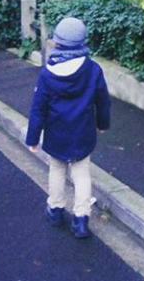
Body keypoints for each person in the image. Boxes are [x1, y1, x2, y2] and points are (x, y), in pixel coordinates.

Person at [26, 16, 111, 239]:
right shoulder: (93, 70)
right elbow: (103, 100)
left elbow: (38, 108)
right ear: (82, 42)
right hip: (82, 132)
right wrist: (102, 124)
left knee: (57, 169)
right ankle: (81, 220)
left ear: (57, 42)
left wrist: (33, 138)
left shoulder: (47, 73)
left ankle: (55, 210)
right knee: (81, 173)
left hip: (56, 132)